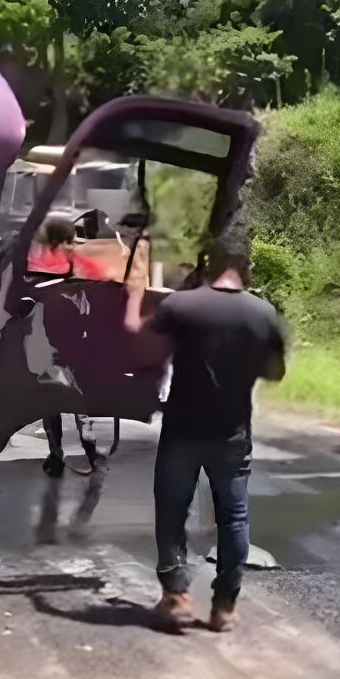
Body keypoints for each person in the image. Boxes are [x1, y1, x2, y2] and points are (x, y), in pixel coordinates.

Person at [129, 244, 287, 634]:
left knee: (171, 512)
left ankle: (177, 597)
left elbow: (141, 347)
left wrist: (134, 294)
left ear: (208, 265)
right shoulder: (264, 314)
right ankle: (225, 607)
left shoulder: (181, 306)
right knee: (234, 518)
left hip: (183, 429)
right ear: (245, 267)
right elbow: (275, 372)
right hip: (232, 434)